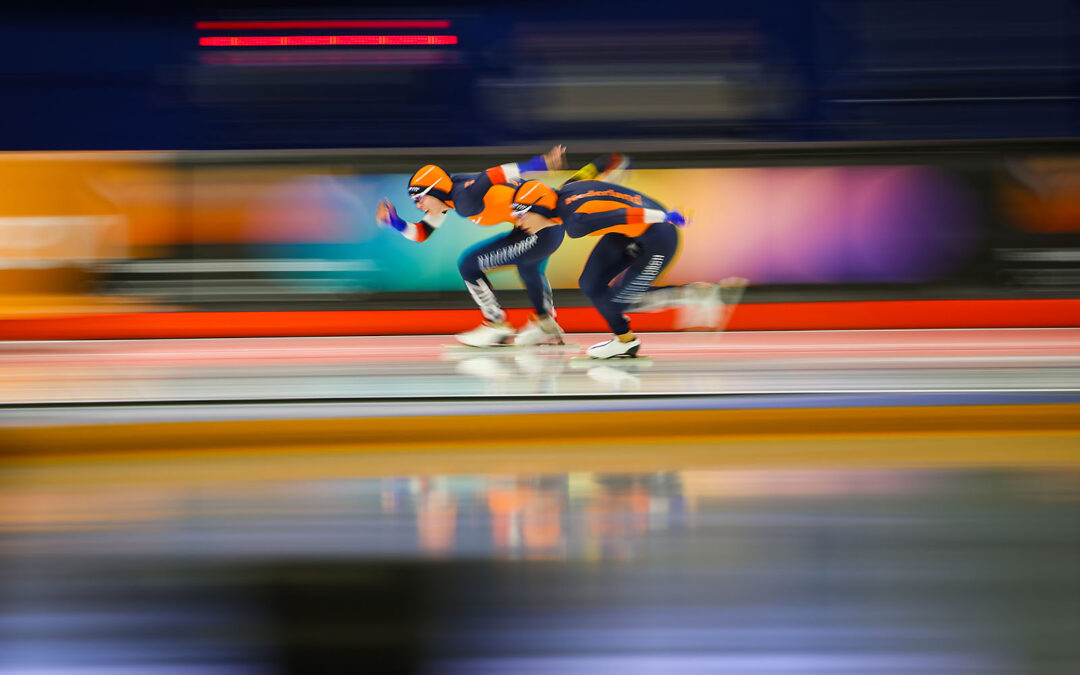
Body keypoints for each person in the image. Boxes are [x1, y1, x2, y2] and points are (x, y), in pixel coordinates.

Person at [376, 146, 568, 347]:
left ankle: (497, 324)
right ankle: (545, 325)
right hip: (543, 227)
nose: (418, 205)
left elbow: (492, 175)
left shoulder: (464, 200)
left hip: (543, 228)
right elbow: (422, 233)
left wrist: (537, 164)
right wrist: (396, 222)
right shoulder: (449, 198)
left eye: (419, 198)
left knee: (470, 265)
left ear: (436, 192)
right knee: (527, 268)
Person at [512, 176, 687, 358]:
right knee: (590, 283)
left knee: (619, 302)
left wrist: (665, 216)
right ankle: (625, 341)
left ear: (542, 209)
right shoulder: (564, 191)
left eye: (522, 215)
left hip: (660, 233)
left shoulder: (575, 223)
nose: (519, 223)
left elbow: (619, 214)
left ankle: (688, 294)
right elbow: (592, 177)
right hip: (627, 231)